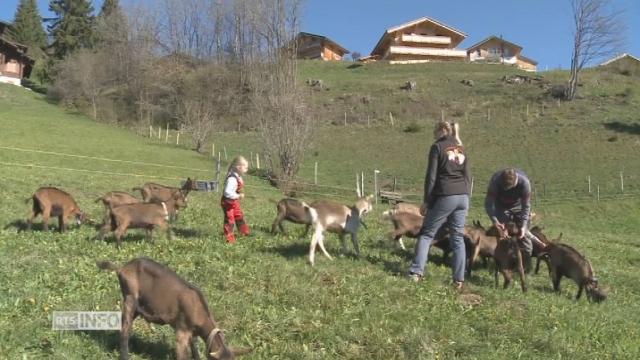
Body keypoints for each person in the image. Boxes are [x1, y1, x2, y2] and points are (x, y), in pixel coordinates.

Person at [407, 121, 471, 289]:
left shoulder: (437, 147)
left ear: (442, 130)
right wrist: (466, 197)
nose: (433, 135)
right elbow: (468, 175)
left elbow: (431, 177)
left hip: (445, 194)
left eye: (434, 131)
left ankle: (416, 272)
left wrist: (427, 200)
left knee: (427, 234)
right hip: (463, 196)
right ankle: (459, 280)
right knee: (457, 237)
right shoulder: (461, 148)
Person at [484, 168, 545, 272]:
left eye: (509, 188)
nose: (507, 191)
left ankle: (525, 266)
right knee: (503, 236)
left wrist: (523, 225)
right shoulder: (495, 181)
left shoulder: (524, 183)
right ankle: (502, 263)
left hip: (519, 207)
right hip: (501, 207)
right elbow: (489, 204)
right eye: (504, 188)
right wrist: (496, 222)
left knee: (524, 237)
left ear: (515, 182)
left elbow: (526, 206)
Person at [221, 156, 250, 243]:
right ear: (238, 167)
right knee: (230, 220)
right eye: (245, 167)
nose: (247, 169)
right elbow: (227, 192)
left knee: (239, 216)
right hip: (228, 202)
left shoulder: (238, 176)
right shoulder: (232, 179)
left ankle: (244, 232)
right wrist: (238, 196)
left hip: (234, 202)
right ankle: (229, 239)